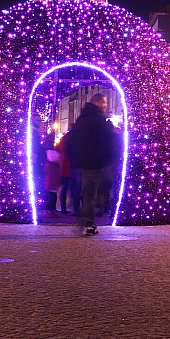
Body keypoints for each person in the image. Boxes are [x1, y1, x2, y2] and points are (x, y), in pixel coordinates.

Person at [62, 93, 116, 237]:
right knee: (92, 193)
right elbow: (108, 142)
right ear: (97, 103)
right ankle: (88, 223)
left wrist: (75, 159)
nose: (106, 105)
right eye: (104, 102)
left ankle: (87, 219)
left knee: (88, 192)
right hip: (96, 162)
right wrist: (110, 157)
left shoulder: (81, 120)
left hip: (84, 162)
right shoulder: (99, 120)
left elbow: (70, 141)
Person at [55, 133, 79, 214]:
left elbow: (58, 150)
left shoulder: (63, 139)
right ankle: (75, 208)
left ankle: (63, 208)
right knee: (75, 189)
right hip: (72, 166)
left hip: (63, 167)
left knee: (64, 189)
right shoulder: (75, 139)